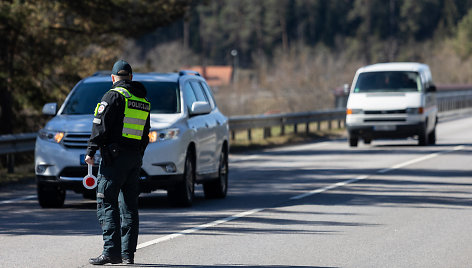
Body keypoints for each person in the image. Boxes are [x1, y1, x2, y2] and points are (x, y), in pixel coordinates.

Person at [86, 60, 151, 265]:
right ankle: (127, 255)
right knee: (130, 207)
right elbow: (145, 134)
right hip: (134, 159)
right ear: (131, 77)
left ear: (113, 78)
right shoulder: (142, 100)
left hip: (114, 160)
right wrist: (138, 154)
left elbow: (100, 126)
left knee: (106, 202)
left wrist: (91, 151)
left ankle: (110, 252)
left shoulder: (113, 95)